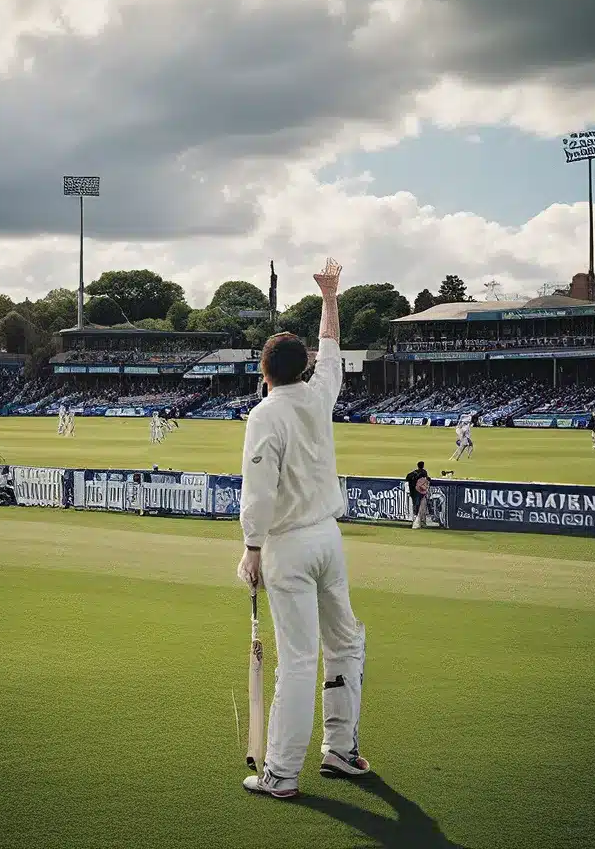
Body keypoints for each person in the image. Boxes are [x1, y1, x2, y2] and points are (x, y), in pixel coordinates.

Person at [237, 258, 368, 801]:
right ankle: (340, 749)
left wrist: (251, 549)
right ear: (302, 367)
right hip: (328, 540)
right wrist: (330, 296)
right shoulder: (319, 394)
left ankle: (281, 773)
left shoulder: (265, 414)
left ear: (264, 371)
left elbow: (259, 494)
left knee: (297, 659)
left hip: (288, 544)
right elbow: (331, 349)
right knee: (345, 643)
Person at [406, 460, 430, 528]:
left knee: (416, 506)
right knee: (421, 507)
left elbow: (407, 478)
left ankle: (416, 522)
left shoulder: (414, 473)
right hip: (421, 492)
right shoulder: (424, 472)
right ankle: (419, 522)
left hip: (415, 491)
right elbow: (427, 479)